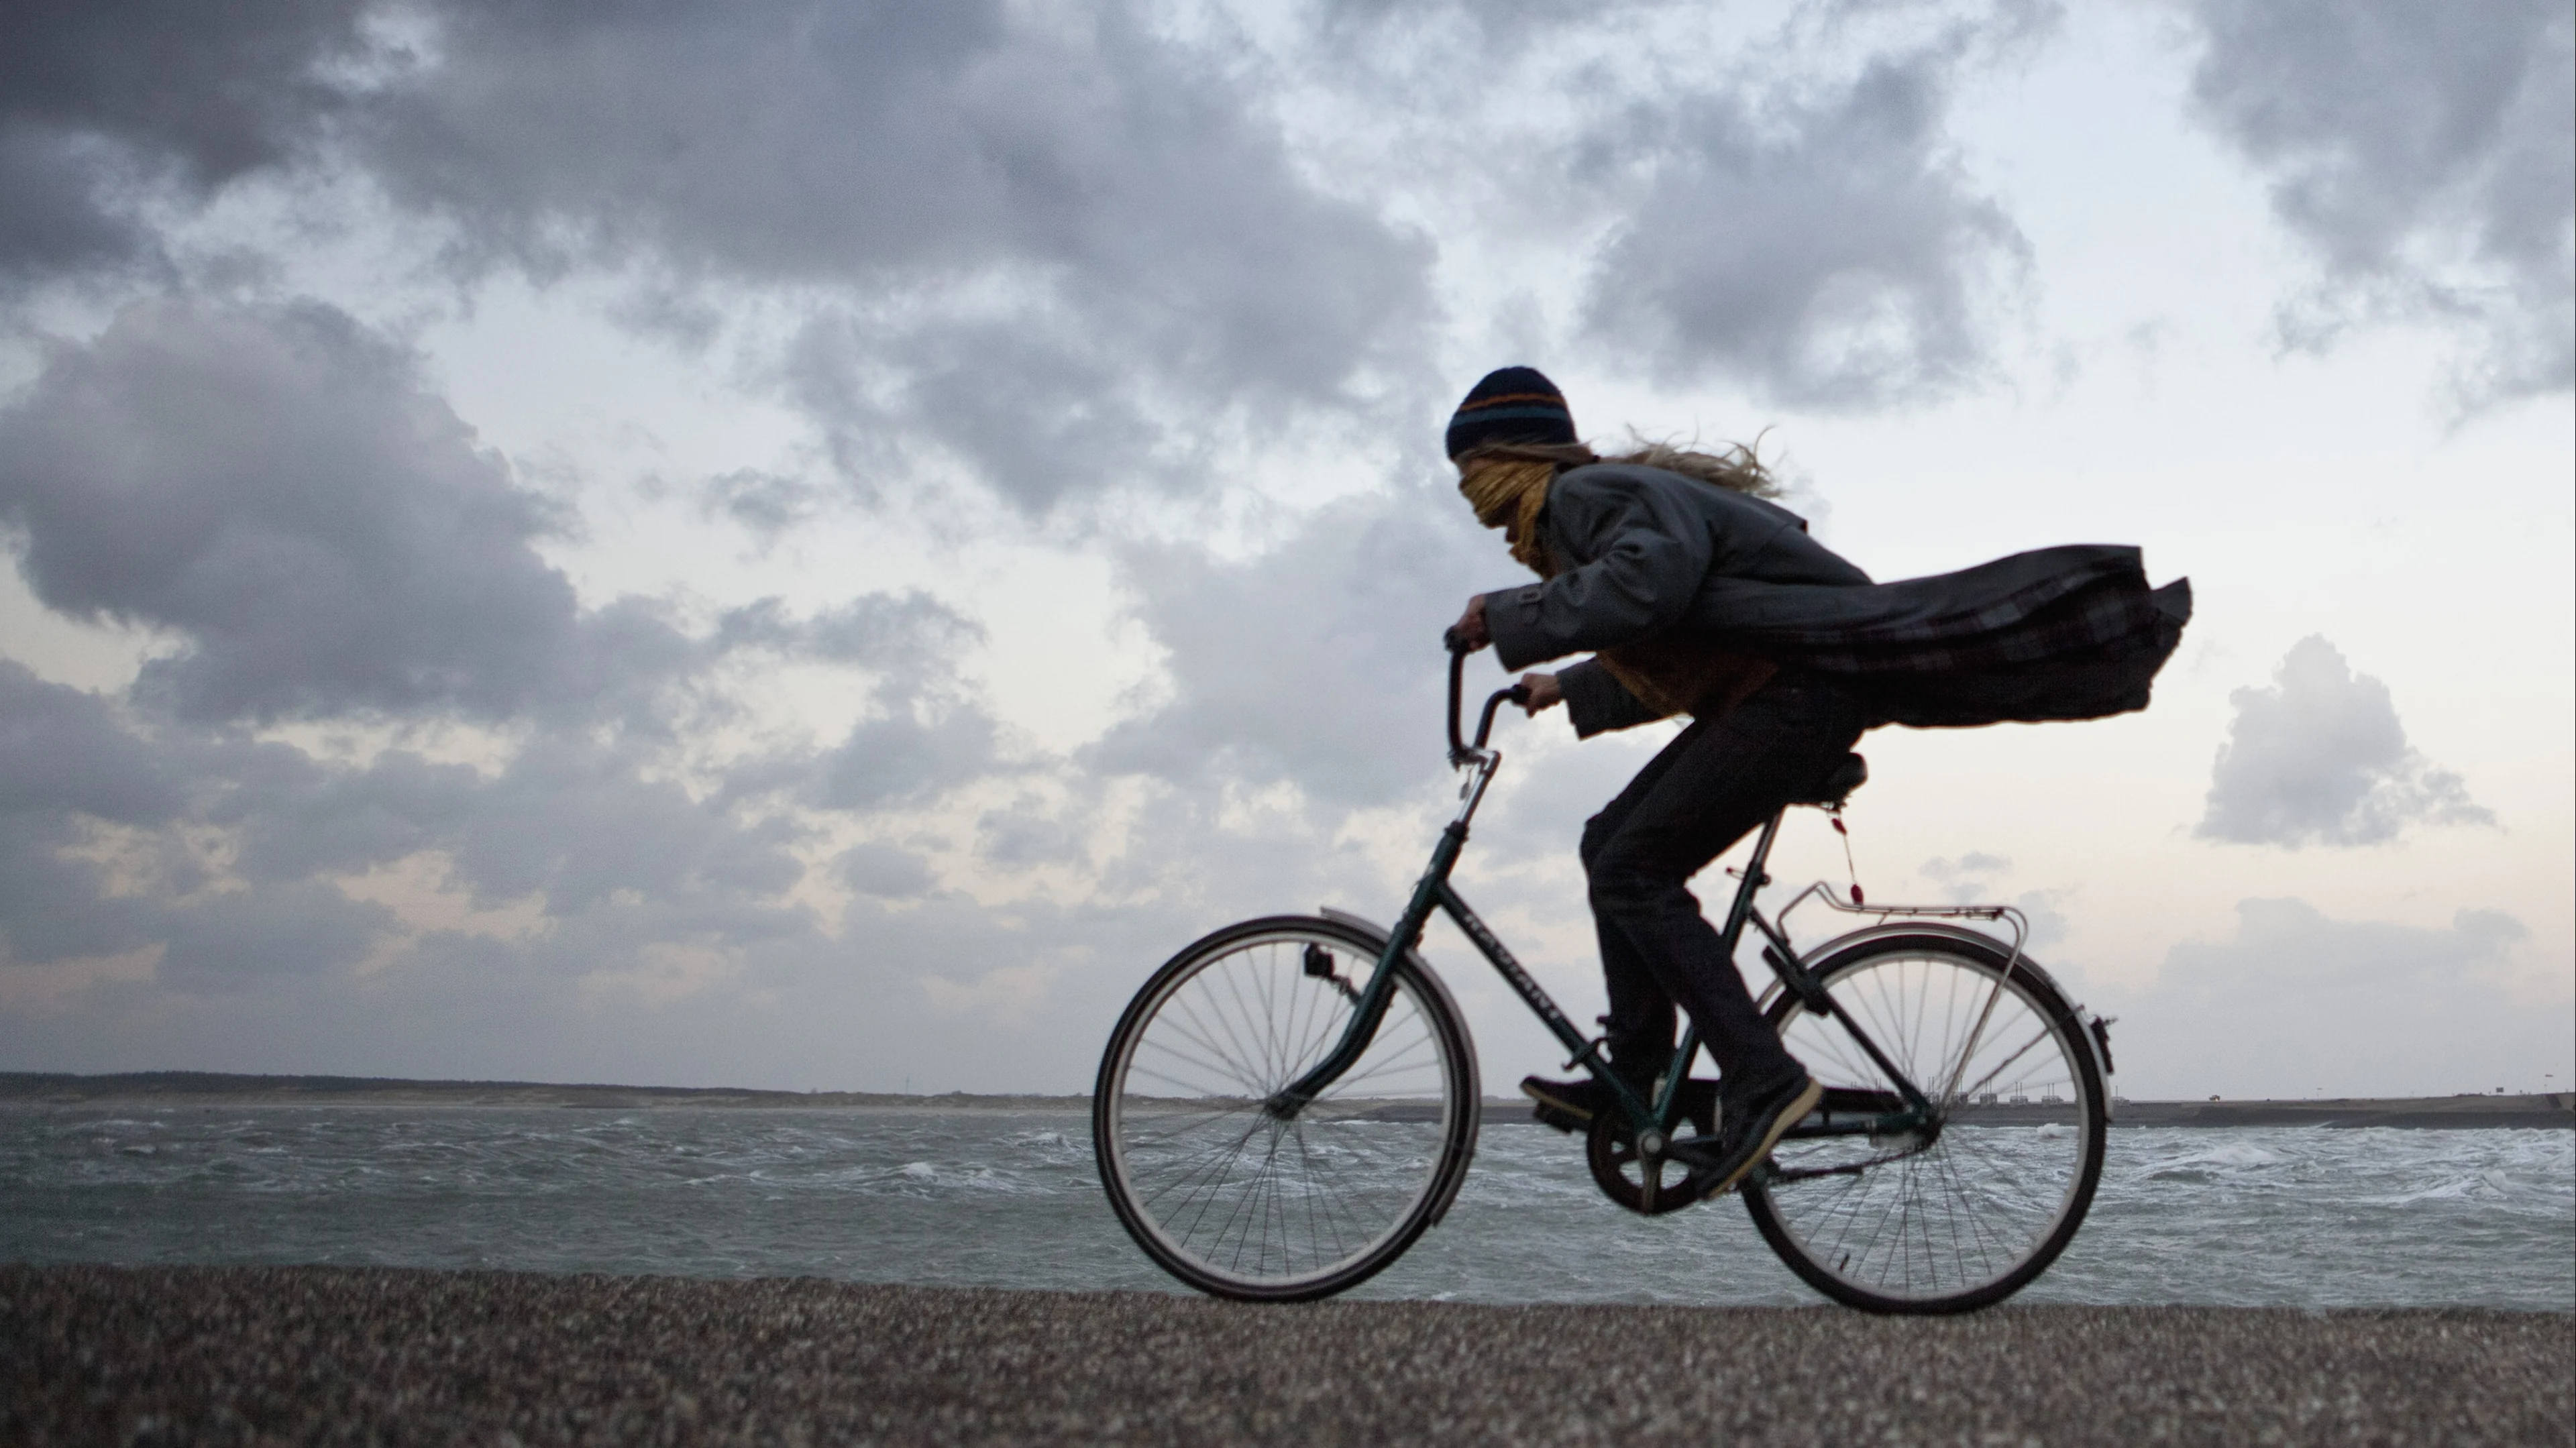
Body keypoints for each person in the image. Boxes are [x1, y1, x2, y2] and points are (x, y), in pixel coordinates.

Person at [1441, 366, 2190, 1200]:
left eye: (1467, 470)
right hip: (1783, 692)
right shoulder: (1585, 513)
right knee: (1608, 844)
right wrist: (1572, 684)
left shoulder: (1587, 497)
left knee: (1630, 866)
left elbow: (1652, 584)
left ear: (1500, 457)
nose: (1469, 492)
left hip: (1798, 696)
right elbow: (1691, 625)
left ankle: (1761, 1078)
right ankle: (1642, 1069)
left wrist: (1510, 616)